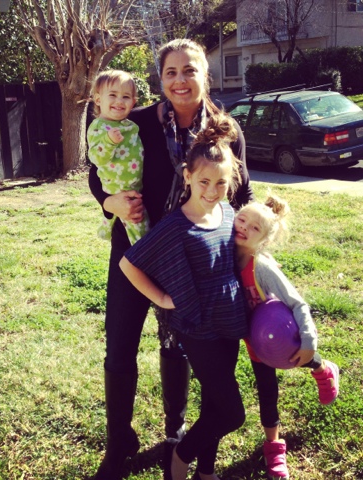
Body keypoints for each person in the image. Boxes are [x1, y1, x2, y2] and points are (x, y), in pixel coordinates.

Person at [88, 39, 254, 480]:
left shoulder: (225, 130)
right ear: (160, 79)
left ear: (205, 74)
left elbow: (242, 192)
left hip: (193, 259)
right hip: (136, 250)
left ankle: (175, 432)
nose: (180, 80)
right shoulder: (137, 121)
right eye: (171, 72)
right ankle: (118, 443)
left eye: (189, 70)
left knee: (176, 344)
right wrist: (109, 203)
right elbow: (97, 172)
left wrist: (252, 241)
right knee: (119, 348)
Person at [120, 113, 247, 480]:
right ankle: (181, 454)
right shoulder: (176, 225)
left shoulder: (228, 213)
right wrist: (162, 299)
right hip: (199, 328)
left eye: (221, 182)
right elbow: (129, 264)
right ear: (188, 176)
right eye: (204, 181)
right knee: (233, 414)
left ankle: (206, 472)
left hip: (229, 322)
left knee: (214, 405)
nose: (212, 190)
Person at [234, 194, 340, 480]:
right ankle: (273, 443)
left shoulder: (262, 267)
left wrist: (309, 342)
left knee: (293, 361)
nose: (244, 227)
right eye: (242, 219)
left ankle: (275, 448)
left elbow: (298, 303)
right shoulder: (224, 254)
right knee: (265, 390)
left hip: (278, 333)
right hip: (254, 341)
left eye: (255, 228)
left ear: (264, 240)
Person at [87, 70, 149, 245]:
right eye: (113, 95)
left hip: (135, 184)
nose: (119, 101)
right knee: (139, 227)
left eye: (126, 97)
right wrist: (108, 142)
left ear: (133, 102)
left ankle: (107, 225)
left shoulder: (130, 125)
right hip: (119, 188)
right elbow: (96, 159)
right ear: (98, 100)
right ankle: (143, 252)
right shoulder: (98, 127)